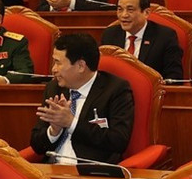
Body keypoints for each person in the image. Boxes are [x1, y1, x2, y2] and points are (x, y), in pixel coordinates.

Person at [29, 33, 134, 164]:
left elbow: (118, 141)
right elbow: (37, 145)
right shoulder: (54, 88)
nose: (53, 69)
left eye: (58, 63)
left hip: (89, 173)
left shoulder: (115, 90)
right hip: (51, 171)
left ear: (81, 66)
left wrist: (71, 122)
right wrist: (54, 131)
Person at [101, 0, 184, 80]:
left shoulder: (165, 36)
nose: (124, 15)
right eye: (120, 9)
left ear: (146, 13)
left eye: (130, 10)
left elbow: (174, 76)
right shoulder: (110, 34)